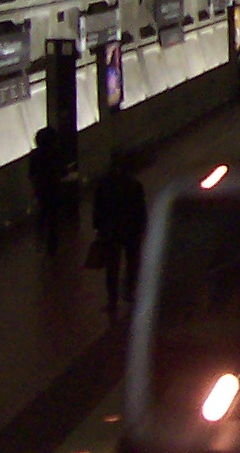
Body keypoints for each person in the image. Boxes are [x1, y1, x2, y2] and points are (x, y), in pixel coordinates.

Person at [92, 153, 149, 316]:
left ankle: (112, 300)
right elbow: (140, 210)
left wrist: (98, 228)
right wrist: (141, 228)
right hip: (130, 230)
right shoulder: (134, 185)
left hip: (110, 231)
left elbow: (98, 208)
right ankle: (130, 292)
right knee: (132, 263)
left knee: (112, 267)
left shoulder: (104, 184)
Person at [28, 128, 79, 258]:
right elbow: (62, 171)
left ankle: (39, 243)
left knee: (42, 215)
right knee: (53, 219)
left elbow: (31, 173)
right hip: (54, 189)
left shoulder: (35, 155)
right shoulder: (56, 153)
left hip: (41, 189)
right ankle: (52, 248)